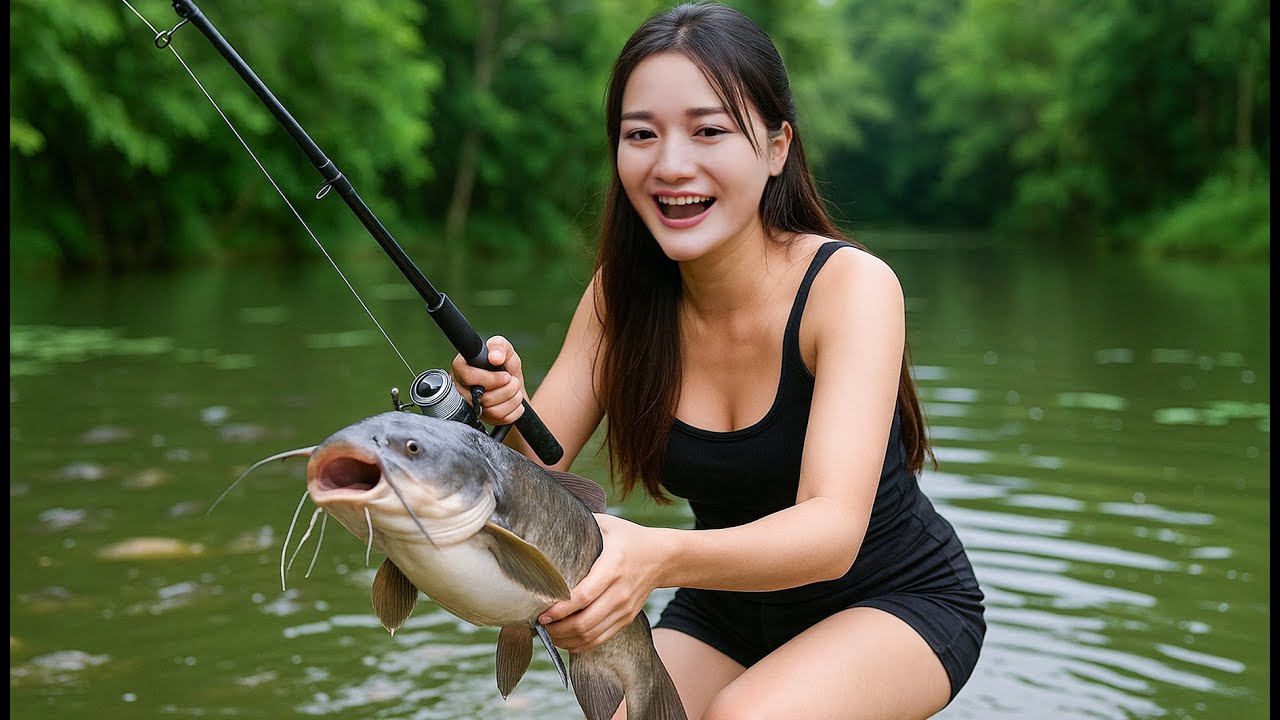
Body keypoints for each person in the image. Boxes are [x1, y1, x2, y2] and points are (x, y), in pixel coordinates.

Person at [453, 3, 985, 718]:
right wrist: (497, 412)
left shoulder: (850, 287)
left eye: (709, 131)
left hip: (895, 601)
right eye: (641, 134)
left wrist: (658, 559)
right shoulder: (619, 298)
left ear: (776, 147)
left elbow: (832, 532)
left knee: (744, 715)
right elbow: (528, 481)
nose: (672, 165)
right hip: (729, 607)